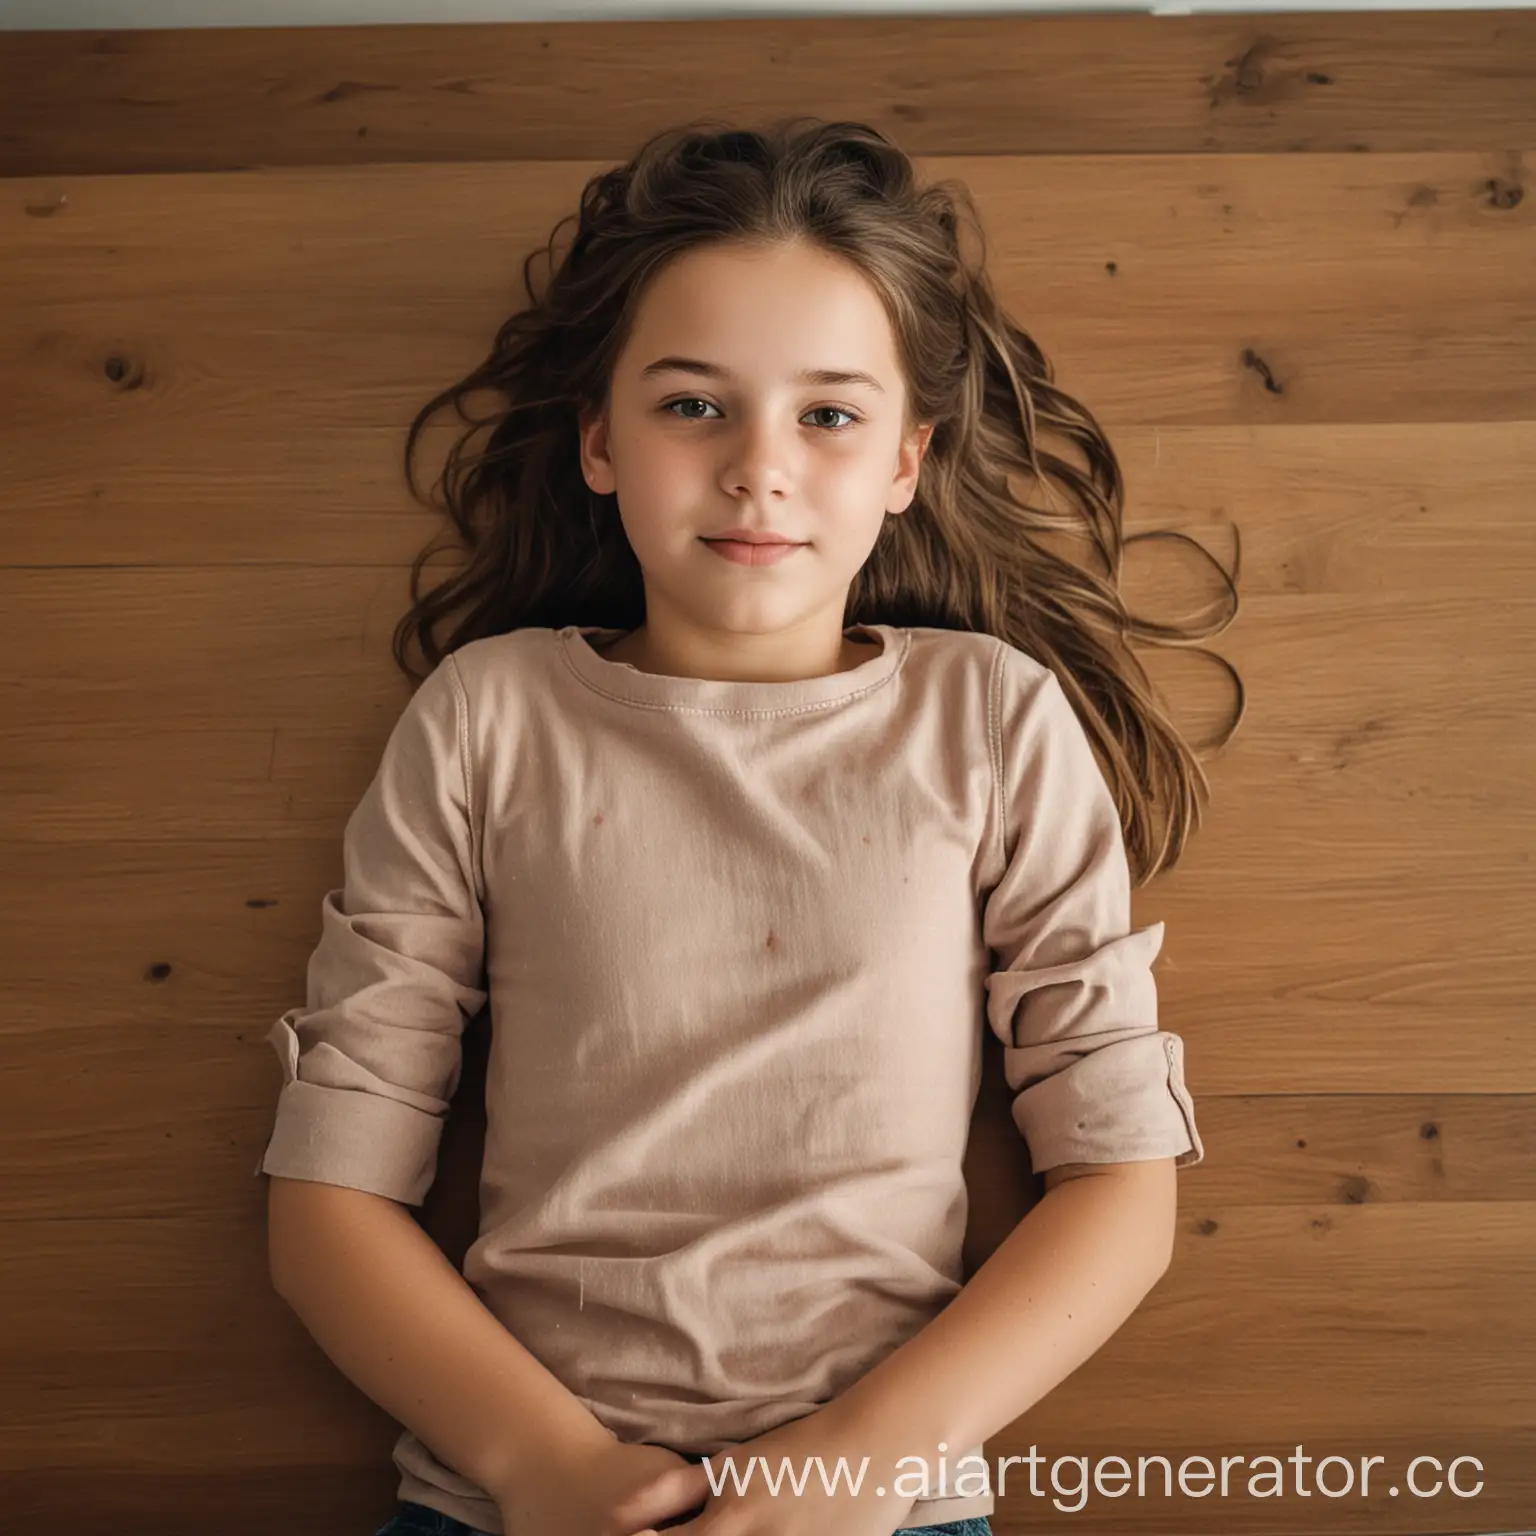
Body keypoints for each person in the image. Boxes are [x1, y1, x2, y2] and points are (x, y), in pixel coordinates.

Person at [257, 116, 1241, 1536]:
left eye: (827, 414)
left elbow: (1121, 1185)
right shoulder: (488, 718)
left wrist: (855, 1465)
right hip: (502, 1496)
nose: (758, 468)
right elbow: (326, 1203)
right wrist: (549, 1470)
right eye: (692, 405)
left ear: (907, 460)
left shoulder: (995, 720)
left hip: (889, 1505)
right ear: (601, 441)